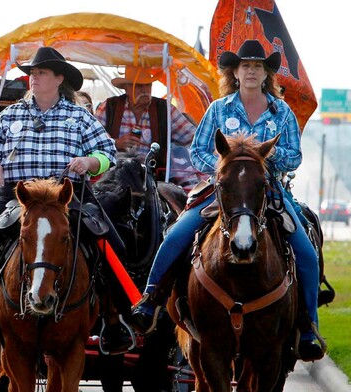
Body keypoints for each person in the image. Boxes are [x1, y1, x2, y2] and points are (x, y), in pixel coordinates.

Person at [129, 39, 324, 362]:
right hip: (222, 190)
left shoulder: (282, 112)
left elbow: (295, 156)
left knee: (305, 251)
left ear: (266, 75)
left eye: (257, 67)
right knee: (176, 235)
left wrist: (267, 157)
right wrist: (226, 167)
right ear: (235, 72)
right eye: (245, 66)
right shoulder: (218, 109)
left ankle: (308, 327)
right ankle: (150, 301)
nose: (251, 71)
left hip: (268, 191)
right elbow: (199, 151)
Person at [0, 46, 119, 342]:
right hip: (18, 198)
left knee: (112, 243)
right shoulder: (10, 115)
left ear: (59, 78)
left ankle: (116, 319)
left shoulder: (79, 116)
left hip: (66, 198)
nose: (33, 78)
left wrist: (90, 162)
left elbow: (109, 153)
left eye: (41, 72)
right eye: (32, 73)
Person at [96, 65, 196, 169]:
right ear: (126, 88)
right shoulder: (109, 106)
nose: (145, 90)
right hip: (115, 173)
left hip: (154, 176)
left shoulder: (165, 109)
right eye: (139, 86)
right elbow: (94, 140)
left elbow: (193, 137)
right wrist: (116, 143)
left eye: (148, 85)